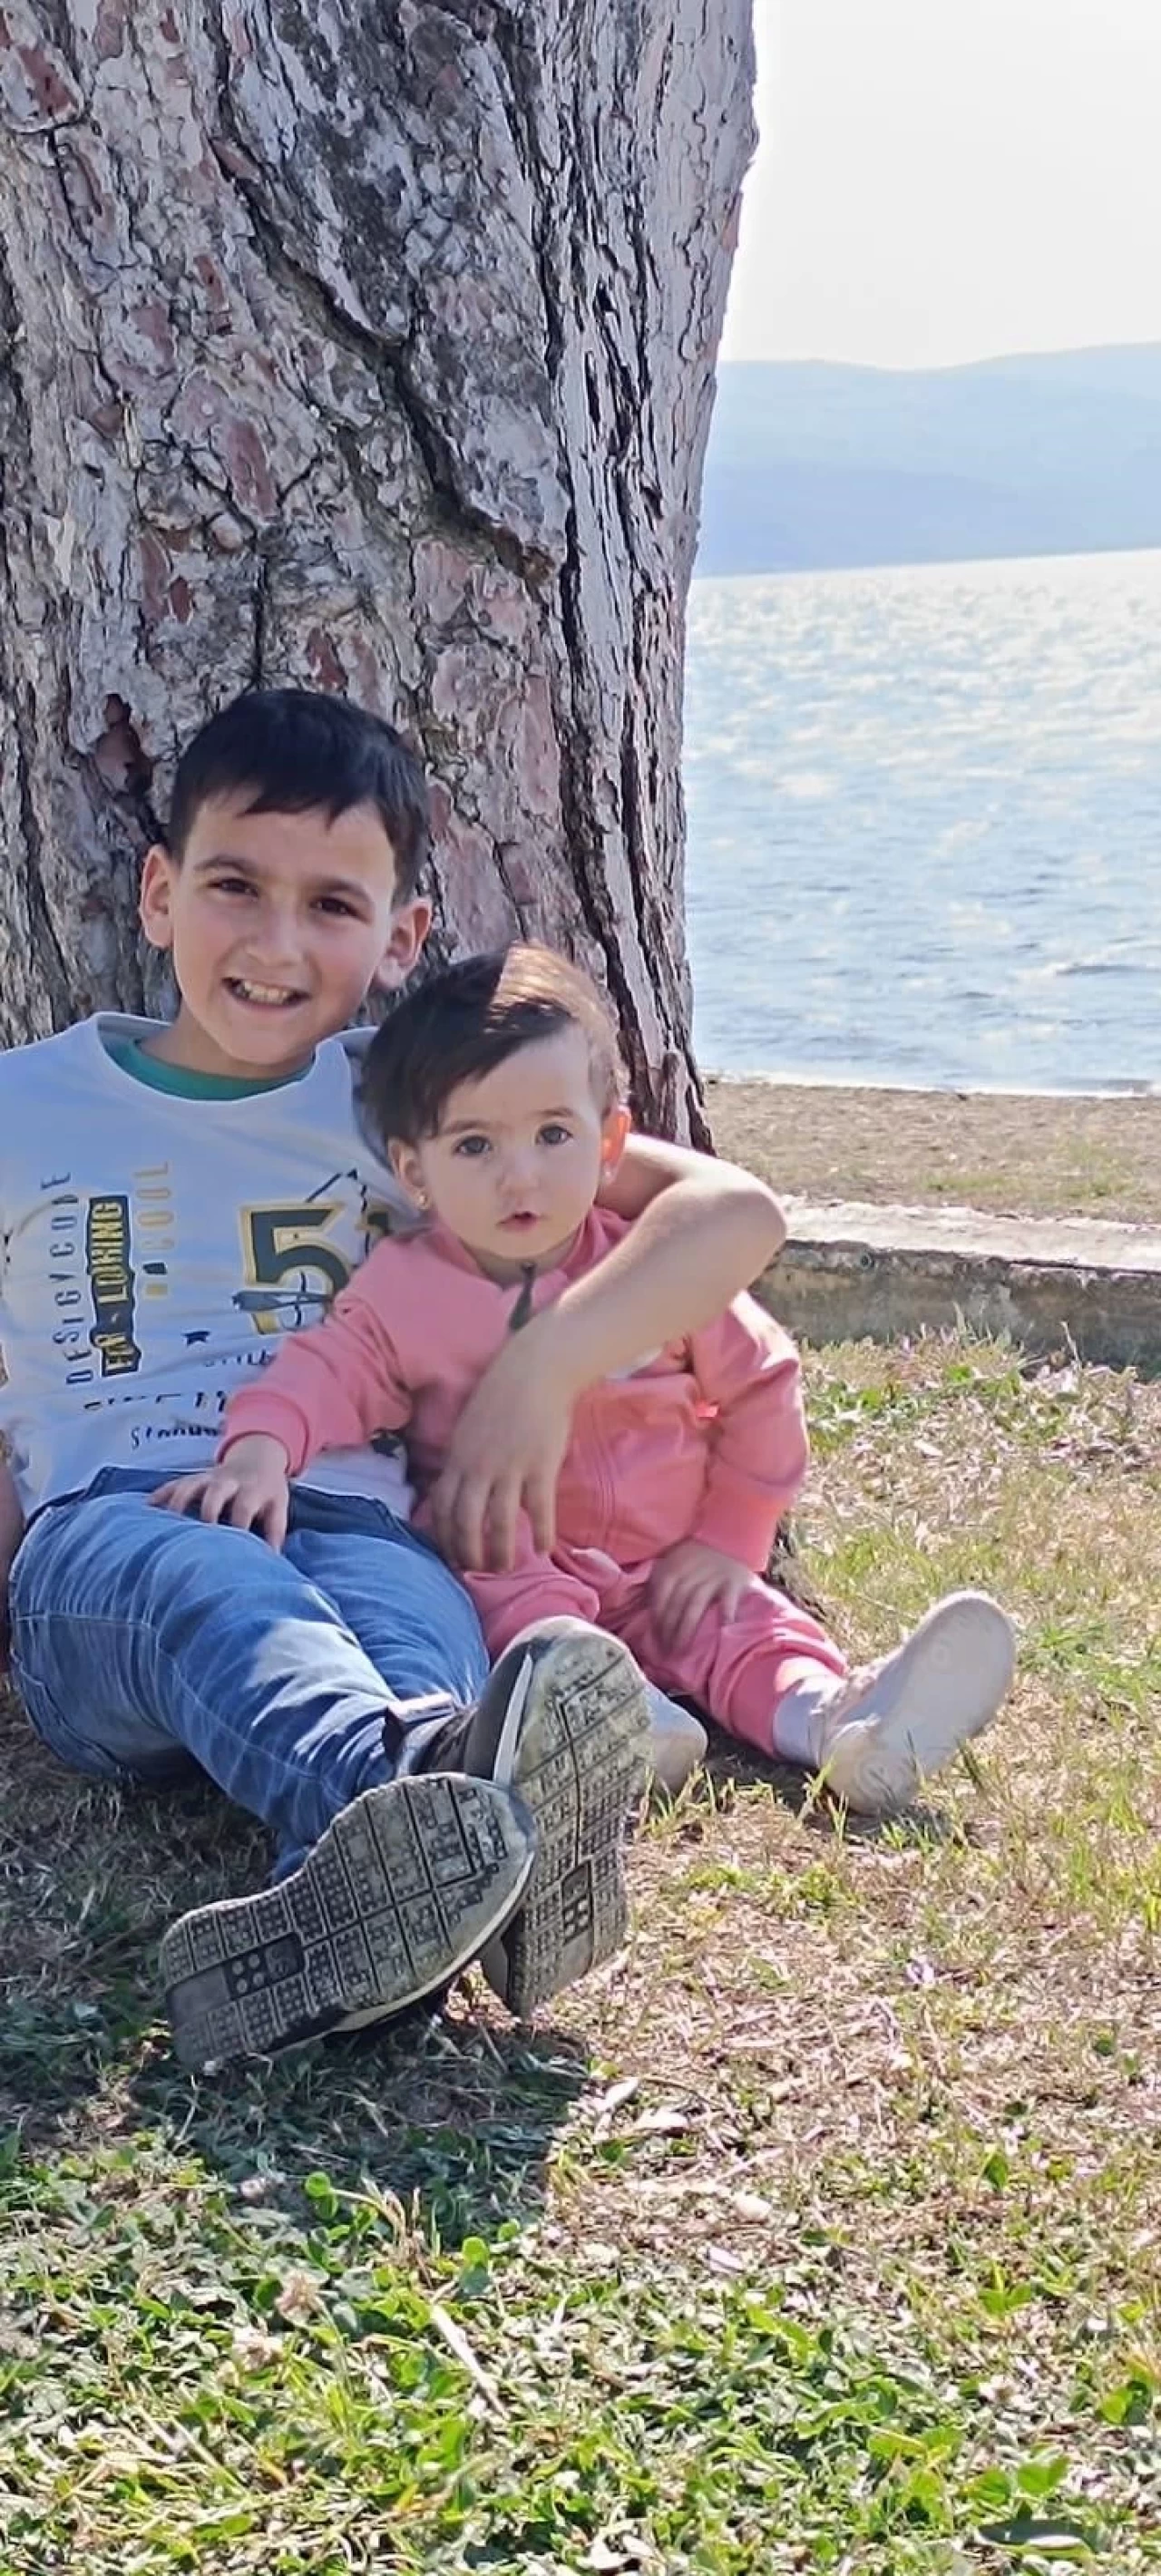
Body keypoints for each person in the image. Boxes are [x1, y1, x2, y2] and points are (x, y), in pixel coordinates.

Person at [0, 691, 788, 2073]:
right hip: (112, 1536)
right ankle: (451, 1821)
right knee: (209, 1577)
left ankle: (369, 1898)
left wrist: (543, 1364)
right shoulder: (24, 1107)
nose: (276, 943)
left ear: (402, 938)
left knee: (423, 1651)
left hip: (364, 1521)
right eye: (235, 887)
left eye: (332, 905)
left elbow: (733, 1215)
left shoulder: (421, 1109)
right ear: (160, 893)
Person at [168, 944, 1016, 1824]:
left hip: (670, 1554)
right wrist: (260, 1452)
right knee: (515, 1608)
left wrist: (731, 1538)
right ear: (414, 1171)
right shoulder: (407, 1289)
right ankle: (612, 1719)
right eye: (474, 1144)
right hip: (520, 1552)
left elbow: (763, 1385)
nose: (521, 1175)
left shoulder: (651, 1270)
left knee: (745, 1629)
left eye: (552, 1135)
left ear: (609, 1142)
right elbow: (322, 1369)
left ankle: (841, 1723)